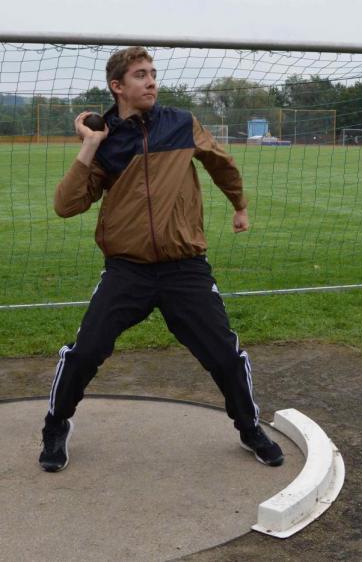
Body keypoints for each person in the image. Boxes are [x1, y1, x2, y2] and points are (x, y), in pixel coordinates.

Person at [39, 46, 284, 472]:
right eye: (140, 75)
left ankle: (249, 427)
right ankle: (56, 425)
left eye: (153, 73)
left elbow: (220, 163)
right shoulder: (108, 142)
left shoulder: (181, 123)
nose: (151, 81)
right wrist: (91, 146)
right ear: (118, 86)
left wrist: (239, 205)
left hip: (184, 267)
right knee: (86, 351)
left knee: (225, 355)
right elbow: (66, 204)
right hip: (127, 269)